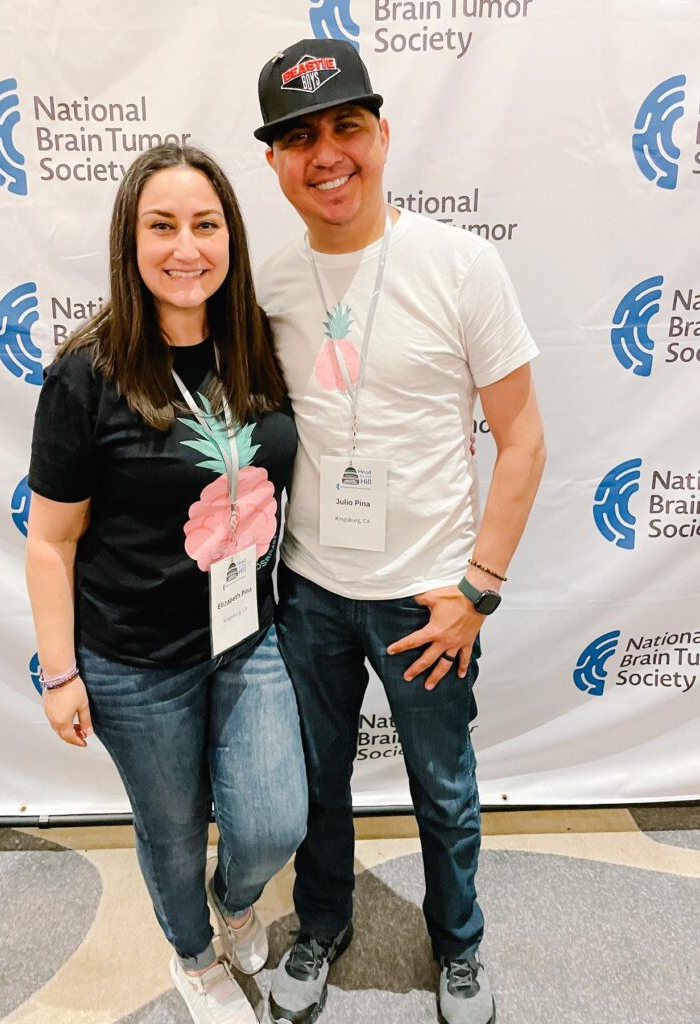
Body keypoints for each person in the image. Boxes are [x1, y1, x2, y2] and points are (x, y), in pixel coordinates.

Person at [253, 39, 546, 1024]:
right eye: (299, 138)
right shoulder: (270, 284)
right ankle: (321, 923)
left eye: (345, 127)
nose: (326, 154)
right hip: (309, 592)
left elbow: (524, 438)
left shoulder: (461, 264)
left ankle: (457, 944)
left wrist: (478, 590)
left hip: (429, 596)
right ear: (275, 164)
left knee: (443, 785)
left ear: (382, 133)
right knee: (314, 786)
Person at [25, 143, 307, 1024]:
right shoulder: (87, 374)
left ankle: (236, 900)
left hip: (246, 636)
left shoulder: (258, 347)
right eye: (162, 226)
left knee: (270, 823)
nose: (186, 248)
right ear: (130, 241)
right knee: (172, 831)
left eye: (206, 224)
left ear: (231, 237)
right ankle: (192, 955)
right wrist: (60, 670)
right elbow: (50, 540)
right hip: (133, 663)